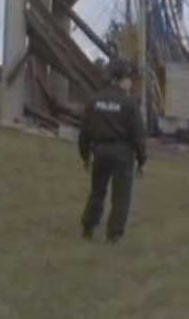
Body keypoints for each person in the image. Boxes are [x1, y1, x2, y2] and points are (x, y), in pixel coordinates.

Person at [78, 59, 147, 244]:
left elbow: (84, 132)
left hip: (99, 151)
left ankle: (88, 227)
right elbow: (138, 135)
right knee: (121, 197)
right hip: (123, 154)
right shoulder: (130, 103)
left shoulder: (94, 100)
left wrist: (85, 156)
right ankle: (114, 235)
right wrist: (142, 160)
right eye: (129, 79)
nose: (131, 83)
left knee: (97, 192)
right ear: (120, 80)